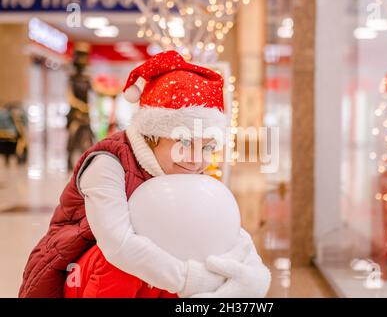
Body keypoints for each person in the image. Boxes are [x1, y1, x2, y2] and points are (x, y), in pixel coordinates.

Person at [19, 50, 271, 298]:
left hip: (143, 274)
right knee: (131, 256)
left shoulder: (186, 173)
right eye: (184, 141)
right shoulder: (107, 163)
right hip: (78, 270)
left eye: (206, 146)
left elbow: (218, 230)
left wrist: (249, 274)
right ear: (152, 136)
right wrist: (189, 279)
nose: (196, 159)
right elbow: (117, 244)